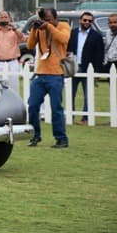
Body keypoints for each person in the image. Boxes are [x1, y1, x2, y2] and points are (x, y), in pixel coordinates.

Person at [26, 8, 71, 148]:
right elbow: (29, 45)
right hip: (40, 74)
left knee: (56, 108)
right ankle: (35, 136)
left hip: (56, 74)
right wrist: (34, 29)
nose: (46, 22)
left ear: (55, 18)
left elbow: (63, 39)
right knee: (32, 105)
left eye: (49, 19)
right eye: (44, 20)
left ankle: (61, 139)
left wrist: (49, 27)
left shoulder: (63, 26)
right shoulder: (40, 28)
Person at [67, 12, 104, 124]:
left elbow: (99, 55)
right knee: (70, 93)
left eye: (89, 21)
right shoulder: (72, 33)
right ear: (80, 20)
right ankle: (70, 116)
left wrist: (97, 72)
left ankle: (86, 118)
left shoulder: (96, 36)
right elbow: (66, 50)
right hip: (73, 67)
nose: (87, 22)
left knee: (88, 95)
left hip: (88, 68)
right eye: (85, 20)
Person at [0, 11, 25, 93]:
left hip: (12, 62)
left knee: (14, 87)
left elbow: (22, 39)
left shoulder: (14, 31)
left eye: (6, 17)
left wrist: (15, 29)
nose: (4, 19)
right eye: (1, 18)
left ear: (9, 19)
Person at [103, 13, 117, 125]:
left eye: (115, 22)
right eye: (110, 22)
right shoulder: (107, 34)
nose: (113, 25)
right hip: (110, 64)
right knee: (113, 92)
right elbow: (106, 49)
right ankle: (115, 117)